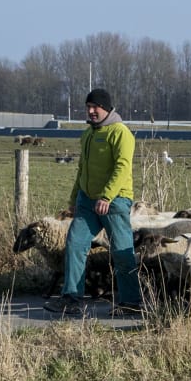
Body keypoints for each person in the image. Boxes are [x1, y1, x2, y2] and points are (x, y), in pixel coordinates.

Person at [45, 89, 144, 316]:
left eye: (95, 107)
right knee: (75, 244)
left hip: (115, 201)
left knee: (121, 251)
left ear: (106, 108)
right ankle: (72, 299)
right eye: (88, 107)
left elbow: (122, 167)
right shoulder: (88, 134)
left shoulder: (121, 133)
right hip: (87, 201)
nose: (90, 111)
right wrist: (74, 199)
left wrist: (107, 196)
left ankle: (131, 302)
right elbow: (82, 169)